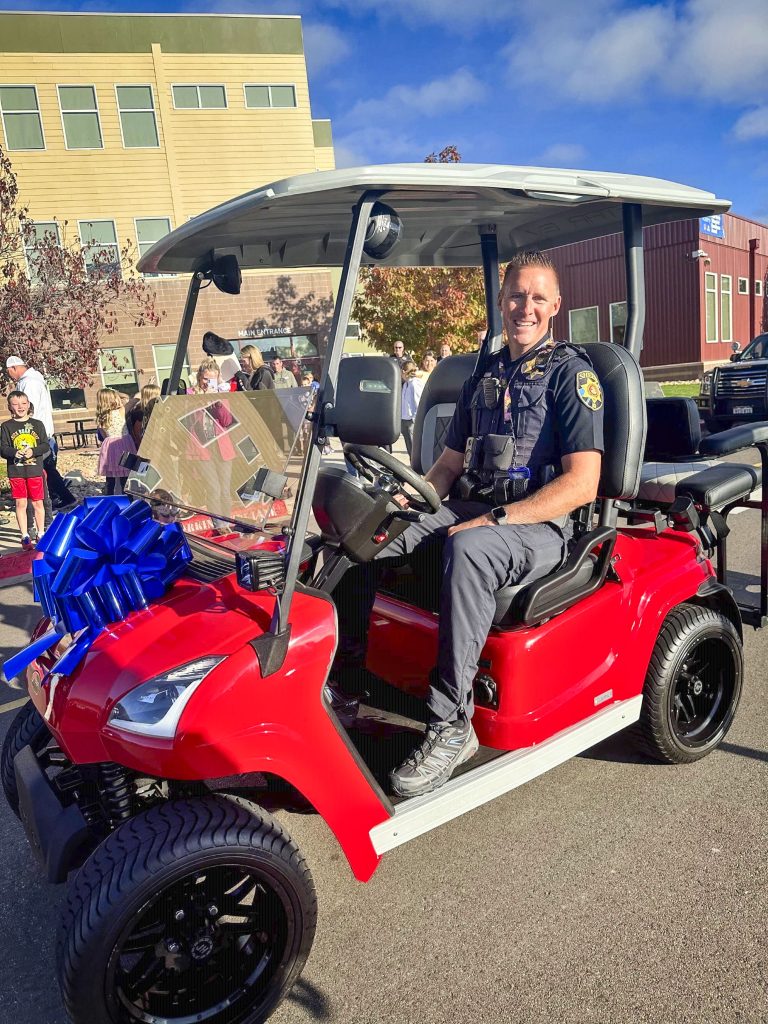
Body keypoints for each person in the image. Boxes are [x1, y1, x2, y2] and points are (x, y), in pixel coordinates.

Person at [333, 251, 604, 798]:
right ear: (501, 301)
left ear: (555, 305)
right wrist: (403, 500)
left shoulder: (573, 377)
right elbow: (448, 465)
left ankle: (451, 723)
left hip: (540, 525)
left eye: (536, 296)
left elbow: (582, 484)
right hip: (473, 509)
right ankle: (345, 684)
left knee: (472, 549)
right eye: (515, 295)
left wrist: (500, 517)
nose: (524, 306)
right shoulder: (486, 373)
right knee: (366, 528)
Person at [5, 355, 75, 512]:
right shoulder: (34, 380)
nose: (9, 375)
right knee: (48, 469)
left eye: (9, 371)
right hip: (42, 433)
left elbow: (30, 410)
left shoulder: (29, 383)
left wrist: (26, 431)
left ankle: (53, 502)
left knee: (40, 471)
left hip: (34, 434)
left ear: (13, 368)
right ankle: (63, 498)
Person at [0, 390, 49, 548]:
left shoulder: (37, 424)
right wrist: (15, 452)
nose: (20, 407)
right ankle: (25, 535)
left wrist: (32, 451)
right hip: (16, 472)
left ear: (28, 405)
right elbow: (3, 449)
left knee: (38, 503)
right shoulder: (6, 426)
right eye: (15, 404)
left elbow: (45, 445)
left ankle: (41, 533)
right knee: (21, 504)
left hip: (35, 471)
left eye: (23, 403)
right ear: (10, 407)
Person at [96, 388, 135, 495]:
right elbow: (134, 399)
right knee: (125, 475)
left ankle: (109, 497)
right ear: (113, 399)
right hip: (125, 443)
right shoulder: (121, 410)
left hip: (109, 446)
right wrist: (117, 393)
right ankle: (127, 498)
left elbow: (104, 436)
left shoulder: (101, 417)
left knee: (110, 477)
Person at [400, 360, 424, 459]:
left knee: (415, 451)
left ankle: (417, 472)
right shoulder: (406, 384)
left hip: (411, 421)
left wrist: (415, 420)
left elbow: (418, 403)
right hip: (405, 419)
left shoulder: (415, 384)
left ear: (403, 371)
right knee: (410, 450)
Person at [128, 383, 160, 448]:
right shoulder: (140, 413)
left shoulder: (154, 411)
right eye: (158, 395)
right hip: (148, 448)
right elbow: (138, 434)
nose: (160, 397)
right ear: (151, 396)